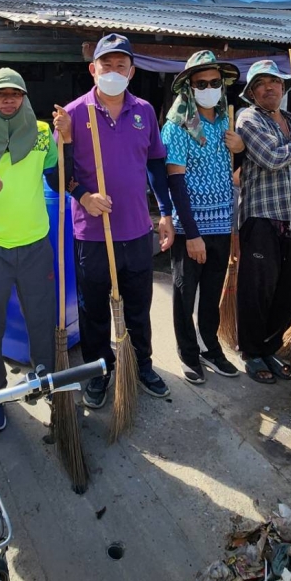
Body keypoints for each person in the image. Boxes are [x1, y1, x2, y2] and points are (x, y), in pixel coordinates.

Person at [54, 34, 175, 411]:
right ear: (93, 69)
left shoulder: (145, 112)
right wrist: (83, 196)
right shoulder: (73, 113)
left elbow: (155, 164)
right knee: (93, 311)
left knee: (138, 306)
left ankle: (142, 365)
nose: (113, 71)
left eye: (121, 66)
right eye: (106, 65)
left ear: (132, 72)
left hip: (137, 230)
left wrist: (165, 212)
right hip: (92, 234)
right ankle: (98, 371)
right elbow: (56, 176)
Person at [0, 68, 69, 433]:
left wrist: (66, 142)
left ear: (24, 97)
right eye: (0, 94)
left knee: (42, 316)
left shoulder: (41, 133)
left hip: (36, 243)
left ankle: (45, 378)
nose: (8, 99)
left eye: (15, 93)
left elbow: (57, 179)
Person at [160, 50, 240, 386]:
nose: (209, 88)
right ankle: (188, 352)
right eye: (201, 83)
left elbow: (232, 172)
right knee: (184, 293)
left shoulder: (225, 121)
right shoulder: (178, 126)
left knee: (211, 292)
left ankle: (210, 347)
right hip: (190, 226)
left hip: (222, 223)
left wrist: (240, 150)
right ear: (189, 88)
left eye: (214, 82)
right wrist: (192, 234)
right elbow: (175, 182)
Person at [235, 59, 291, 385]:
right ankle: (251, 352)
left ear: (284, 87)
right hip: (261, 218)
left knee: (287, 288)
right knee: (257, 290)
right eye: (260, 84)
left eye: (274, 82)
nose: (269, 88)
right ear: (252, 93)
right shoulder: (249, 118)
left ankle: (270, 347)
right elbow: (272, 159)